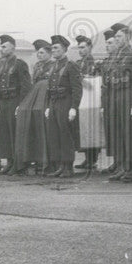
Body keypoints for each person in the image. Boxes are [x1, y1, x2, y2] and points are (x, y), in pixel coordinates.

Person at [105, 23, 132, 183]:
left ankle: (130, 169)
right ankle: (121, 166)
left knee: (128, 134)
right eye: (115, 37)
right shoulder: (116, 56)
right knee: (118, 133)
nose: (117, 39)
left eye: (119, 36)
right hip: (115, 97)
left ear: (128, 37)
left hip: (128, 96)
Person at [12, 39, 51, 175]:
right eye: (38, 53)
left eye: (42, 52)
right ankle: (35, 159)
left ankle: (44, 161)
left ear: (49, 53)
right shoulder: (37, 66)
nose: (39, 55)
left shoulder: (53, 66)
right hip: (35, 98)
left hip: (45, 98)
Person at [45, 35, 83, 177]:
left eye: (56, 48)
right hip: (54, 102)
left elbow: (77, 88)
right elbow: (50, 87)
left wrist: (74, 107)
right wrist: (49, 106)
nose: (53, 50)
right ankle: (61, 165)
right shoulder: (54, 66)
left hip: (66, 102)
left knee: (66, 135)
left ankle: (68, 167)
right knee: (55, 135)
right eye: (52, 48)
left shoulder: (71, 65)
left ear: (65, 49)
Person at [0, 34, 32, 173]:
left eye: (4, 46)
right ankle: (9, 162)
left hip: (14, 101)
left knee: (15, 133)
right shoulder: (1, 65)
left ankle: (19, 164)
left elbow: (26, 86)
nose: (2, 49)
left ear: (13, 48)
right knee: (4, 133)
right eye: (1, 47)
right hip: (4, 102)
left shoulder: (20, 64)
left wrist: (20, 105)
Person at [73, 35, 104, 172]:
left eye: (83, 47)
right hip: (81, 98)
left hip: (92, 98)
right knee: (83, 128)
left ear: (90, 48)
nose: (81, 50)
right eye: (79, 47)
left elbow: (97, 81)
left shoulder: (95, 63)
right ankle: (87, 157)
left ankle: (92, 159)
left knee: (91, 127)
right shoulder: (78, 63)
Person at [98, 29, 118, 174]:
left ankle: (121, 163)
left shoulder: (119, 60)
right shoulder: (107, 62)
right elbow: (104, 85)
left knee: (119, 132)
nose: (107, 46)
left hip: (118, 100)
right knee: (111, 131)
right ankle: (116, 162)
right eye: (106, 43)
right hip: (108, 100)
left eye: (110, 43)